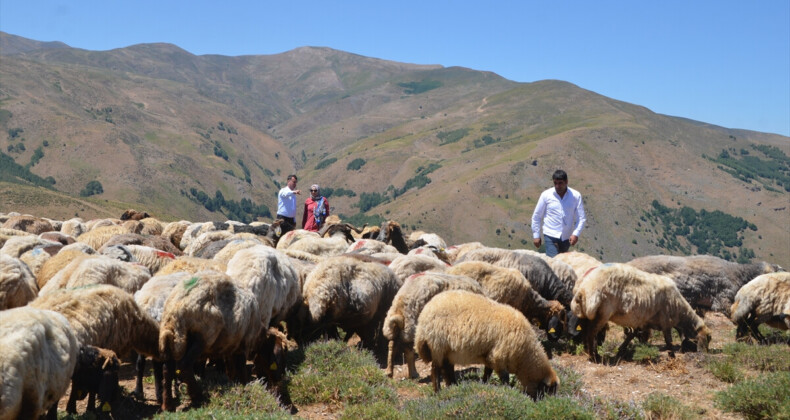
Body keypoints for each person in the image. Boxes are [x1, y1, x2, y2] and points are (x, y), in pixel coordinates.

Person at [531, 169, 586, 257]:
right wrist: (536, 235)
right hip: (550, 234)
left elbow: (581, 218)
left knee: (562, 263)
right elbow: (537, 216)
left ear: (566, 182)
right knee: (554, 261)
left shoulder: (575, 196)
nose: (557, 186)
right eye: (555, 183)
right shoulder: (546, 195)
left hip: (566, 237)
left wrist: (576, 234)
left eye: (560, 183)